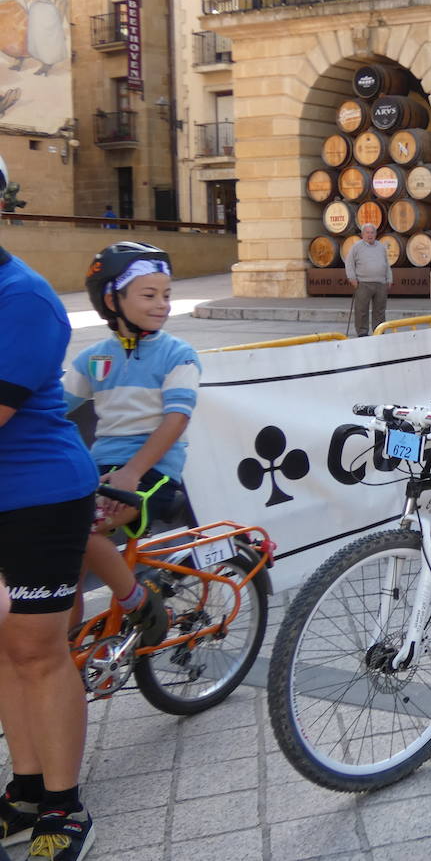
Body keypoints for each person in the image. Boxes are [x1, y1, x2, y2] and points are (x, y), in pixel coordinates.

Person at [0, 179, 101, 857]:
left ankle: (63, 806)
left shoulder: (23, 297)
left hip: (39, 496)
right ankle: (24, 787)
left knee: (38, 650)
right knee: (5, 645)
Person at [64, 242, 203, 644]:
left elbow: (177, 419)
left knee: (82, 532)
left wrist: (133, 471)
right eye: (149, 295)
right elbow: (52, 407)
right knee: (61, 561)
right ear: (112, 299)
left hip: (153, 473)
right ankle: (66, 646)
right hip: (101, 471)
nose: (162, 304)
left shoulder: (179, 355)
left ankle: (138, 601)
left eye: (166, 295)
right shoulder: (93, 358)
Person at [343, 222, 391, 336]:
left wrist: (389, 278)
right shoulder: (357, 247)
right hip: (363, 283)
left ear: (376, 234)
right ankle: (362, 332)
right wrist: (352, 278)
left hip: (380, 283)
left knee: (380, 311)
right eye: (367, 232)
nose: (370, 235)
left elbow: (386, 264)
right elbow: (349, 263)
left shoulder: (380, 246)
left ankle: (379, 331)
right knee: (361, 310)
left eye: (372, 232)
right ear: (362, 234)